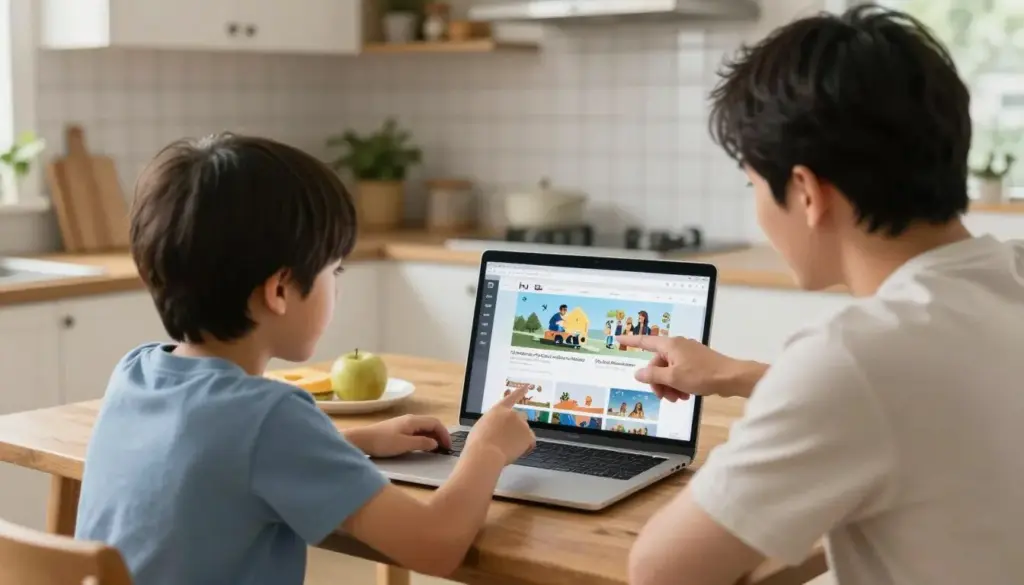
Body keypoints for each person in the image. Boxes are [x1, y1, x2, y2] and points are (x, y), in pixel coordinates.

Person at [619, 6, 1024, 585]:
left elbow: (661, 572)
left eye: (753, 185)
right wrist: (737, 374)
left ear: (807, 192)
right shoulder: (1010, 275)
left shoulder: (854, 357)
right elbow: (922, 397)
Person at [74, 134, 536, 585]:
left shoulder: (136, 371)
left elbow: (224, 463)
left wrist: (352, 443)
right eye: (334, 270)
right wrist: (487, 448)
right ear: (279, 290)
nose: (337, 287)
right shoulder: (270, 419)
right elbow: (435, 545)